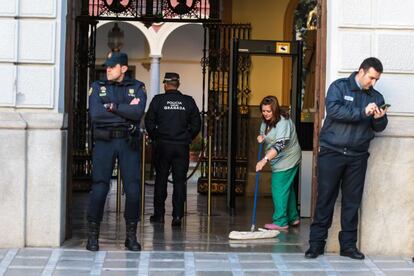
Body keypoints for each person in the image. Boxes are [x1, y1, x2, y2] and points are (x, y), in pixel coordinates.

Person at [305, 57, 388, 260]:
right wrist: (362, 111)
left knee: (352, 203)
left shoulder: (376, 97)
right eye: (371, 78)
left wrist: (379, 118)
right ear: (361, 71)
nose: (373, 83)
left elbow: (379, 128)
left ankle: (348, 246)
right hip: (332, 153)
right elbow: (333, 110)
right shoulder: (339, 87)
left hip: (357, 157)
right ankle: (316, 245)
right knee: (325, 199)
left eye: (376, 79)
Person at [86, 51, 147, 251]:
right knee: (100, 187)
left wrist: (112, 107)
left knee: (133, 189)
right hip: (105, 143)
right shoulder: (97, 87)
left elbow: (137, 113)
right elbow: (96, 115)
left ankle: (131, 237)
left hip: (128, 143)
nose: (108, 70)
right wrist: (123, 112)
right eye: (107, 67)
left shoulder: (137, 87)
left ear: (123, 68)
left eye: (112, 67)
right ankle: (93, 236)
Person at [145, 72, 201, 227]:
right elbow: (197, 124)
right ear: (178, 84)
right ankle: (177, 216)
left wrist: (156, 136)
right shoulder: (188, 101)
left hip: (163, 145)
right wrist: (188, 137)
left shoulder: (158, 100)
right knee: (179, 182)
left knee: (161, 180)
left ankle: (159, 215)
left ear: (165, 84)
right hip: (181, 147)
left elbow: (148, 122)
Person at [255, 95, 301, 231]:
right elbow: (267, 135)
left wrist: (263, 161)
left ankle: (280, 221)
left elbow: (280, 144)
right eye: (263, 111)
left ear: (275, 109)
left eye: (268, 111)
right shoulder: (265, 121)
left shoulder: (283, 122)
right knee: (287, 188)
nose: (266, 114)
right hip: (278, 160)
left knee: (278, 188)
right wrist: (262, 137)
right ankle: (293, 217)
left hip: (288, 159)